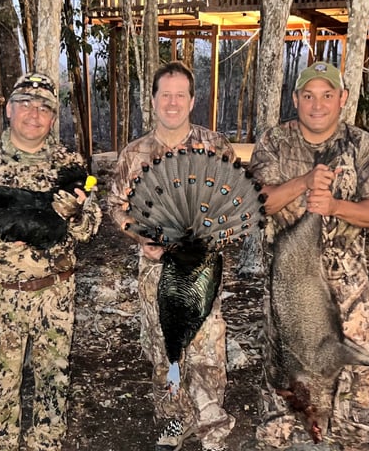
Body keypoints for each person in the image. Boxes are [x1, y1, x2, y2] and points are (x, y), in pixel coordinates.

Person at [0, 72, 102, 451]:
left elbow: (91, 226)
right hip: (0, 298)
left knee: (53, 387)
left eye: (44, 108)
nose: (34, 114)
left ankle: (46, 443)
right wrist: (1, 239)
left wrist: (75, 215)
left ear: (53, 117)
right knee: (1, 389)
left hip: (56, 296)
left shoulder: (70, 163)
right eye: (25, 104)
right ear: (9, 110)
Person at [248, 61, 369, 450]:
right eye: (309, 96)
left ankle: (349, 435)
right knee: (283, 375)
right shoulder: (274, 143)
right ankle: (281, 432)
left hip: (347, 290)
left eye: (327, 95)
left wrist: (333, 207)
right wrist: (303, 182)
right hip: (289, 287)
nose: (318, 105)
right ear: (296, 99)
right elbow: (257, 203)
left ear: (342, 98)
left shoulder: (364, 146)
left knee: (351, 388)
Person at [108, 61, 235, 451]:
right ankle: (175, 419)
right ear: (153, 100)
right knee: (165, 350)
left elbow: (236, 203)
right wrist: (140, 236)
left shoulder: (216, 147)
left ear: (193, 101)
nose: (173, 103)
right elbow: (117, 207)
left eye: (181, 95)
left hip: (200, 269)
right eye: (166, 95)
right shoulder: (134, 154)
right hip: (156, 272)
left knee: (208, 349)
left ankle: (212, 425)